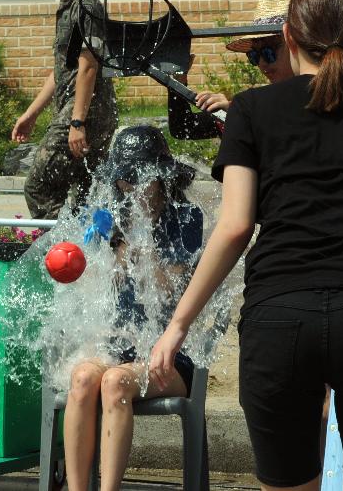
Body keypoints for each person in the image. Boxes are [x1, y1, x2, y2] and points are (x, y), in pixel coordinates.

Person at [151, 0, 343, 491]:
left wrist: (177, 326)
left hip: (280, 319)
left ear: (287, 36)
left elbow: (236, 226)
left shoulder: (250, 111)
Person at [62, 125, 203, 491]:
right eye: (124, 177)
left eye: (139, 176)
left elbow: (169, 290)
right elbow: (88, 292)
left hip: (170, 356)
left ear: (161, 177)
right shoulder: (108, 216)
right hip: (119, 346)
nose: (131, 186)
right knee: (82, 378)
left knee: (115, 381)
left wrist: (135, 247)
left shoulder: (186, 219)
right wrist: (91, 255)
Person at [12, 0, 118, 219]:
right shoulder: (70, 5)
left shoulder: (86, 5)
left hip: (86, 112)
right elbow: (63, 70)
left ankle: (62, 253)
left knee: (39, 186)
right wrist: (31, 114)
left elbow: (89, 67)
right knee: (85, 193)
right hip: (83, 111)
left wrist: (77, 122)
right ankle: (89, 256)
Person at [167, 0, 294, 140]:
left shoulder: (319, 97)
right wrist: (178, 80)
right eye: (254, 56)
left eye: (269, 52)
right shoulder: (252, 105)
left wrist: (238, 113)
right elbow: (184, 128)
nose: (261, 63)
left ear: (295, 46)